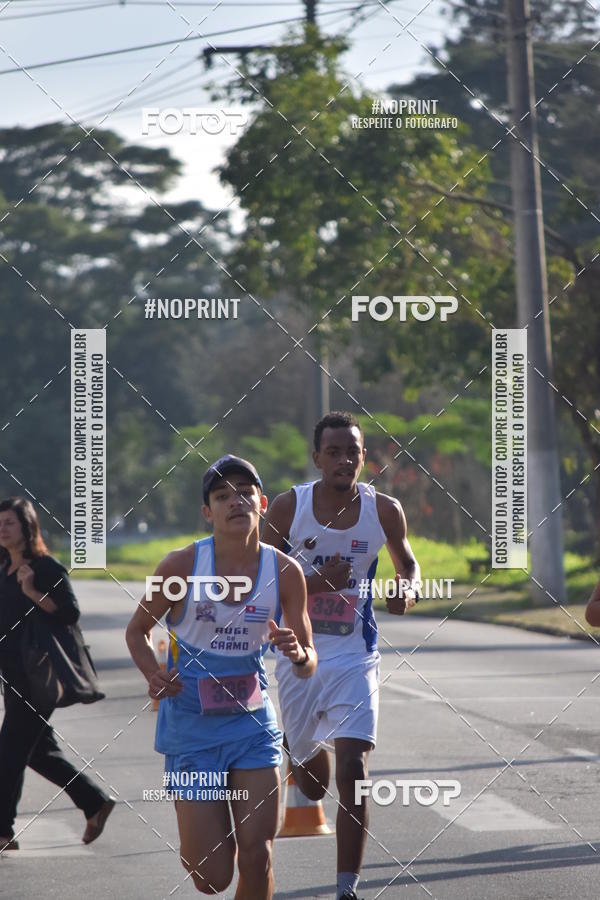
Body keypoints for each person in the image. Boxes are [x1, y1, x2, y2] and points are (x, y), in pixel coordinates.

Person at [126, 455, 316, 899]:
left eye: (245, 493)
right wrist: (154, 675)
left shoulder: (284, 572)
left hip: (253, 727)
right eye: (222, 495)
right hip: (191, 729)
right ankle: (204, 842)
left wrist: (298, 651)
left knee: (258, 854)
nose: (236, 501)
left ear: (262, 503)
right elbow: (137, 631)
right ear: (207, 512)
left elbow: (308, 662)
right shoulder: (181, 567)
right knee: (212, 876)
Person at [262, 412, 421, 900]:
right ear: (317, 458)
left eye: (352, 451)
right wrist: (314, 584)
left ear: (363, 458)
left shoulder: (384, 510)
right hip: (299, 656)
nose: (344, 460)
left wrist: (406, 589)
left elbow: (408, 563)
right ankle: (303, 749)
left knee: (355, 769)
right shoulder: (289, 508)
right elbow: (256, 581)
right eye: (333, 452)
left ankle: (347, 889)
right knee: (311, 785)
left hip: (356, 655)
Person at [0, 497, 114, 853]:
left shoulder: (45, 568)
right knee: (37, 751)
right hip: (12, 678)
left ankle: (3, 831)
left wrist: (32, 590)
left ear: (27, 527)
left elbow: (69, 613)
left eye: (9, 523)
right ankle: (93, 801)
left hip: (39, 679)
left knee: (9, 751)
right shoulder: (1, 565)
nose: (2, 528)